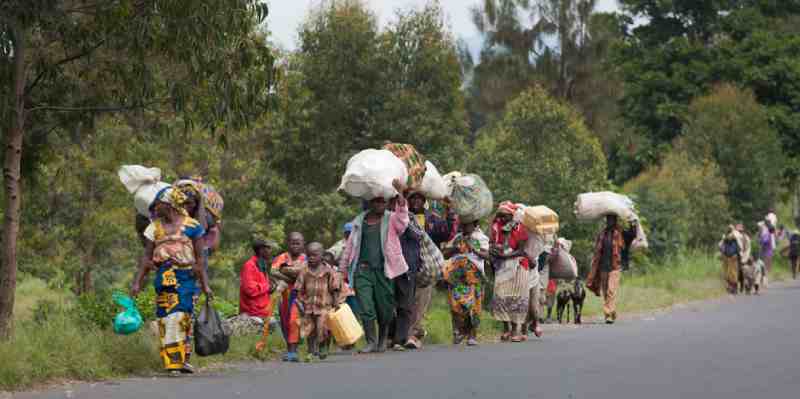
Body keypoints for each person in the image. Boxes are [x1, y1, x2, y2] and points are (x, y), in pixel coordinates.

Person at [130, 186, 211, 375]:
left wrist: (205, 285)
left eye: (159, 205)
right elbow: (146, 257)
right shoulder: (154, 228)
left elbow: (200, 260)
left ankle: (177, 362)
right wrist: (137, 282)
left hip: (186, 277)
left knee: (181, 316)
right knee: (165, 318)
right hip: (164, 278)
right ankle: (174, 360)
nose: (155, 208)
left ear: (170, 205)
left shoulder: (192, 226)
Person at [340, 179, 409, 354]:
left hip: (384, 271)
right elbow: (350, 247)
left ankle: (382, 338)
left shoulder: (391, 219)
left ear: (386, 203)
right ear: (370, 203)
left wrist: (400, 193)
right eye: (376, 201)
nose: (380, 204)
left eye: (383, 201)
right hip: (362, 271)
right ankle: (371, 341)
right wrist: (341, 272)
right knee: (366, 306)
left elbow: (403, 221)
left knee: (385, 309)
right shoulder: (359, 222)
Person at [405, 191, 456, 350]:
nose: (415, 201)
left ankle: (413, 335)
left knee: (421, 300)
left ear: (424, 200)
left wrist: (449, 211)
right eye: (412, 198)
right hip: (406, 265)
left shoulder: (432, 219)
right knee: (405, 301)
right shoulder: (402, 217)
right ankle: (404, 334)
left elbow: (446, 233)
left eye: (418, 198)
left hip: (426, 267)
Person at [294, 242, 347, 362]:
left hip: (324, 306)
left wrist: (336, 302)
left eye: (315, 255)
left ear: (322, 256)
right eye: (309, 255)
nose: (311, 258)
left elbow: (335, 288)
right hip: (308, 306)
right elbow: (298, 288)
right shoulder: (304, 271)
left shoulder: (329, 272)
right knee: (309, 330)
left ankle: (323, 346)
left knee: (321, 327)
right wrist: (299, 301)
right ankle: (311, 351)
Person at [442, 219, 489, 346]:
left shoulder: (480, 238)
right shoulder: (458, 238)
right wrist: (455, 249)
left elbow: (486, 255)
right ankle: (461, 331)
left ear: (475, 224)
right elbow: (445, 253)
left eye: (467, 224)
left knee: (474, 307)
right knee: (457, 304)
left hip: (475, 277)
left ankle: (472, 335)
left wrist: (473, 249)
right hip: (458, 277)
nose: (464, 226)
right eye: (463, 224)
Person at [490, 201, 531, 342]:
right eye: (500, 215)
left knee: (516, 297)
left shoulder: (519, 228)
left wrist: (506, 255)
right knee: (500, 296)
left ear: (512, 215)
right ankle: (506, 328)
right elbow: (492, 244)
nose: (503, 218)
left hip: (518, 265)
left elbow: (521, 250)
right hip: (502, 266)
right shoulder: (496, 227)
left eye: (506, 215)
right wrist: (495, 249)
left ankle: (515, 330)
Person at [586, 214, 636, 324]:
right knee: (605, 291)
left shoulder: (621, 233)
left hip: (615, 267)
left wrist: (633, 223)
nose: (609, 222)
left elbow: (632, 235)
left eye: (611, 220)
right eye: (608, 220)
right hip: (603, 267)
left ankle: (608, 314)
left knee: (611, 291)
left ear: (615, 221)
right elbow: (597, 251)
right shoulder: (602, 234)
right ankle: (611, 312)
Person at [271, 232, 308, 362]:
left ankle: (293, 351)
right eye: (293, 242)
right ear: (288, 244)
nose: (295, 245)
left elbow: (304, 274)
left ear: (303, 244)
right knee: (285, 321)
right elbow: (273, 271)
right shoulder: (282, 257)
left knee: (294, 319)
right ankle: (290, 348)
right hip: (283, 295)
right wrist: (290, 277)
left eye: (298, 243)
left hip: (299, 295)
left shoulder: (306, 259)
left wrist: (286, 271)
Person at [239, 239, 275, 321]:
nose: (270, 251)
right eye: (268, 248)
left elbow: (263, 288)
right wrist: (267, 287)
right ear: (261, 250)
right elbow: (249, 290)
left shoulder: (262, 264)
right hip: (252, 313)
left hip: (263, 312)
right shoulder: (249, 266)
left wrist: (271, 288)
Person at [719, 225, 744, 294]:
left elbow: (739, 245)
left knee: (733, 272)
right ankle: (731, 287)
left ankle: (734, 288)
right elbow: (721, 245)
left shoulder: (736, 235)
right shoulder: (726, 237)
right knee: (728, 272)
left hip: (733, 256)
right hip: (727, 256)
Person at [758, 221, 775, 288]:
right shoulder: (768, 234)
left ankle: (765, 281)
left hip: (766, 252)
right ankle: (765, 281)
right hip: (767, 253)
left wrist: (760, 239)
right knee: (765, 267)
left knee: (765, 267)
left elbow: (763, 241)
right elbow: (764, 241)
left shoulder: (767, 234)